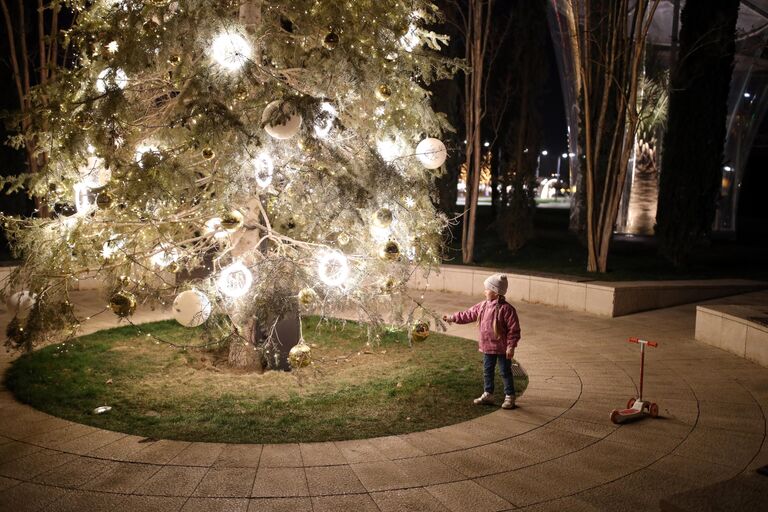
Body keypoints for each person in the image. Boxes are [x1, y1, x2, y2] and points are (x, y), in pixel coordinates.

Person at [443, 274, 521, 409]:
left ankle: (510, 396)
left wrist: (511, 346)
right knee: (487, 370)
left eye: (487, 289)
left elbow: (514, 330)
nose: (484, 291)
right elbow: (468, 314)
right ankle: (488, 394)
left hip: (502, 348)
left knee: (505, 371)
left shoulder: (507, 310)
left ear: (496, 292)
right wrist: (452, 317)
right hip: (487, 347)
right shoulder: (483, 306)